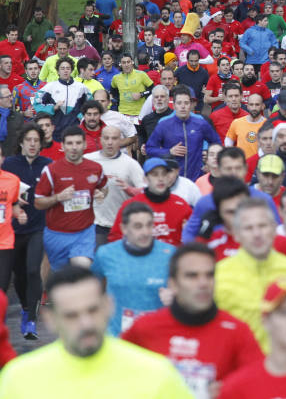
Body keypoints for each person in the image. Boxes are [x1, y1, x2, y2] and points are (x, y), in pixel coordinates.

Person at [0, 266, 192, 397]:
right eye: (71, 316)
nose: (86, 323)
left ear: (108, 305)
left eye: (92, 310)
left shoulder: (158, 374)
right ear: (50, 319)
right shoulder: (18, 380)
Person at [122, 243, 263, 399]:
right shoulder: (144, 328)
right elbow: (116, 380)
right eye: (192, 276)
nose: (203, 283)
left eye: (209, 275)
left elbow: (261, 387)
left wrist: (230, 392)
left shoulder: (238, 332)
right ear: (173, 284)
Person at [214, 197, 286, 353]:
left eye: (263, 226)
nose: (257, 234)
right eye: (248, 228)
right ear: (237, 234)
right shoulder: (220, 275)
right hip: (240, 370)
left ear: (275, 229)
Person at [91, 203, 174, 335]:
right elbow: (90, 286)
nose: (145, 232)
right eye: (138, 226)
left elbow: (187, 294)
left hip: (156, 337)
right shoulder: (106, 253)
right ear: (124, 228)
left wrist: (176, 297)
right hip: (118, 338)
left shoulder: (170, 254)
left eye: (149, 225)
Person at [34, 126, 108, 268]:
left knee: (82, 268)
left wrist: (101, 193)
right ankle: (46, 290)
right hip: (56, 233)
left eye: (78, 143)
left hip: (85, 232)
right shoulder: (51, 170)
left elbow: (104, 187)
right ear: (62, 146)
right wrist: (58, 197)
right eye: (69, 143)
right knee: (60, 277)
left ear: (85, 144)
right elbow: (38, 203)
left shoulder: (95, 168)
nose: (74, 147)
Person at [4, 124, 49, 339]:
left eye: (36, 140)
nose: (32, 144)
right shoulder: (10, 165)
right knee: (19, 275)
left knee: (33, 270)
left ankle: (31, 318)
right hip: (12, 230)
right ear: (21, 142)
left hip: (38, 228)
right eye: (28, 140)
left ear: (41, 144)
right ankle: (24, 306)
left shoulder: (48, 165)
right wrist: (13, 204)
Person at [108, 157, 194, 245]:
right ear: (145, 179)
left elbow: (195, 236)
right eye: (155, 174)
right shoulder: (131, 205)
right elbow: (116, 237)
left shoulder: (180, 204)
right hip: (139, 256)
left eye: (164, 174)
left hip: (172, 257)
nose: (160, 178)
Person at [146, 86, 222, 180]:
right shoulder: (164, 124)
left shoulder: (200, 123)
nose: (183, 106)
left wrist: (209, 160)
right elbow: (149, 149)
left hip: (196, 177)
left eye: (186, 103)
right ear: (173, 105)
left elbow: (217, 142)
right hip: (171, 179)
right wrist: (169, 152)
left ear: (190, 104)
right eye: (179, 103)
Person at [87, 125, 146, 245]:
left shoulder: (131, 164)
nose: (110, 142)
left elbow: (145, 192)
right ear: (100, 139)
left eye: (114, 138)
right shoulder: (88, 161)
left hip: (122, 225)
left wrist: (131, 190)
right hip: (96, 224)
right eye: (106, 138)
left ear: (120, 140)